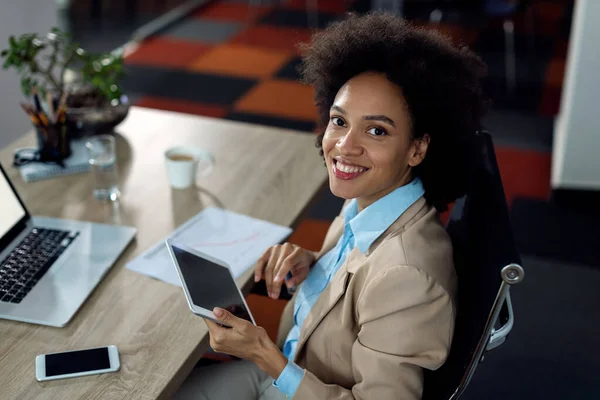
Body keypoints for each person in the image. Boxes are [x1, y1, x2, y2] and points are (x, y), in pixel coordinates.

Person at [175, 11, 487, 400]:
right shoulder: (370, 202)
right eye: (339, 121)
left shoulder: (406, 276)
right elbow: (357, 280)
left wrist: (264, 356)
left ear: (418, 148)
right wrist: (314, 264)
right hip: (289, 374)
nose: (344, 146)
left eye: (377, 130)